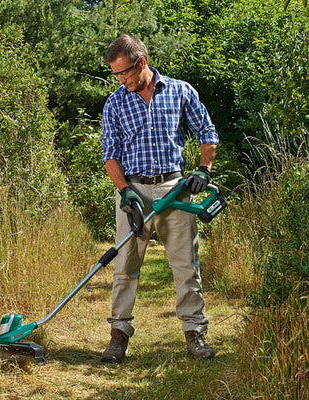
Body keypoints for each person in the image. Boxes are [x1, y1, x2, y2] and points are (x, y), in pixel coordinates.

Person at [100, 34, 219, 363]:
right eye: (116, 75)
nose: (121, 81)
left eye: (124, 73)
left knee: (186, 266)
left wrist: (204, 170)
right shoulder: (116, 102)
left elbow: (206, 132)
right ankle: (118, 335)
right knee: (125, 267)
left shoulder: (180, 91)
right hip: (134, 192)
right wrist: (125, 191)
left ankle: (195, 333)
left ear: (142, 63)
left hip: (175, 190)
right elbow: (110, 155)